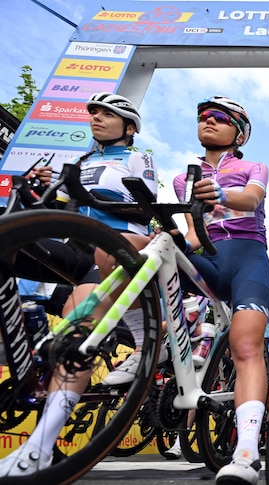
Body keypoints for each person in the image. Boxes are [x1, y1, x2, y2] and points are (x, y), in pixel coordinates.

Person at [0, 92, 158, 477]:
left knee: (78, 331)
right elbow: (61, 205)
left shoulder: (139, 158)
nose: (98, 119)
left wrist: (95, 196)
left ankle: (41, 447)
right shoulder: (82, 160)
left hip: (114, 246)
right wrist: (40, 190)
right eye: (94, 113)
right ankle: (25, 331)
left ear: (130, 127)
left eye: (108, 114)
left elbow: (146, 206)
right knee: (10, 243)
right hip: (76, 243)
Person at [172, 95, 269, 485]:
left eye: (218, 118)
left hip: (249, 258)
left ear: (239, 133)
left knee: (245, 346)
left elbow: (251, 199)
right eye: (202, 117)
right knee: (151, 258)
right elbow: (194, 235)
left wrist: (219, 193)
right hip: (210, 259)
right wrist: (174, 244)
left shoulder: (253, 166)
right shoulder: (185, 177)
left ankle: (246, 452)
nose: (207, 122)